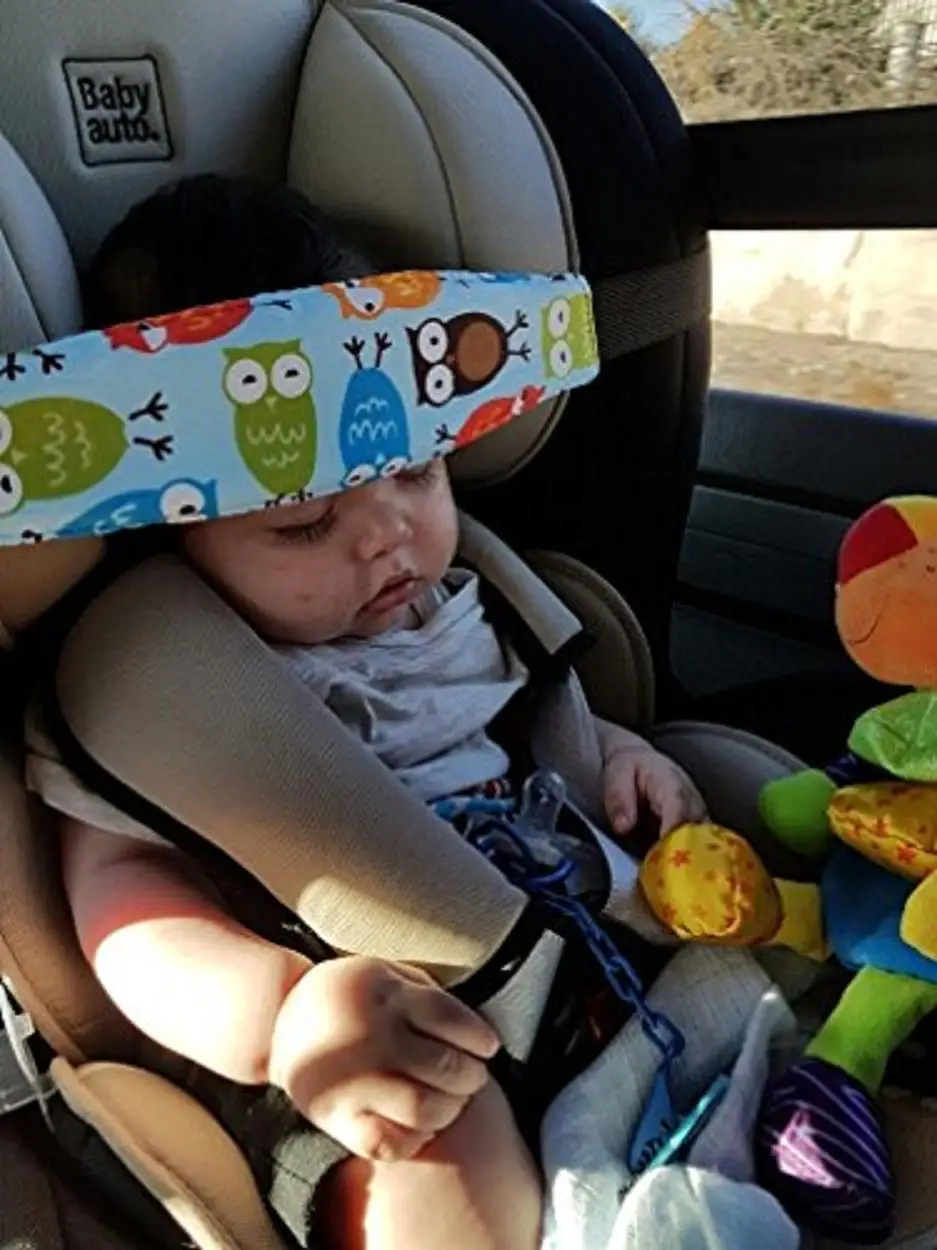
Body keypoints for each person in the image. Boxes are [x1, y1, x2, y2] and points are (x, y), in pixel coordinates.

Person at [29, 174, 707, 1250]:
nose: (388, 534)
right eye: (305, 523)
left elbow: (524, 728)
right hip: (352, 1036)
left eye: (417, 472)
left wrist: (616, 758)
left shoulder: (464, 599)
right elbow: (120, 901)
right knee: (441, 1155)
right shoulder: (168, 686)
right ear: (173, 527)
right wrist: (282, 1016)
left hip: (565, 960)